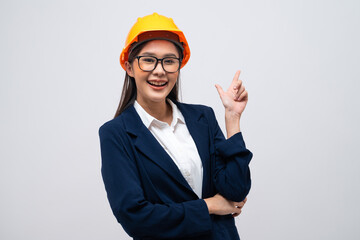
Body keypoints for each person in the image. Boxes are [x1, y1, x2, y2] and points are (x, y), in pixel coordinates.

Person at [99, 13, 253, 240]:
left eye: (169, 61)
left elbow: (235, 191)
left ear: (178, 67)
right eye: (148, 59)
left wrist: (232, 118)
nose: (159, 70)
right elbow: (136, 218)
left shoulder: (203, 117)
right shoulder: (116, 134)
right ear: (129, 67)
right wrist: (209, 206)